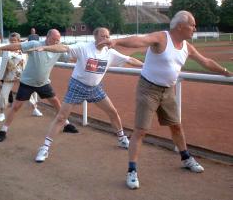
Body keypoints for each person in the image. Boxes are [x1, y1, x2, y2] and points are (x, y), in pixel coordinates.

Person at [97, 10, 233, 189]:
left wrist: (224, 72)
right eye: (192, 25)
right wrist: (116, 41)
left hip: (168, 90)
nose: (194, 28)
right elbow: (140, 40)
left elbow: (205, 61)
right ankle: (132, 170)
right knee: (140, 131)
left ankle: (185, 158)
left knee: (176, 125)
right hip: (148, 89)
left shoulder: (187, 47)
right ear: (181, 26)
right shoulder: (162, 38)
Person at [31, 27, 143, 163]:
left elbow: (130, 60)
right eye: (102, 36)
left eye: (108, 36)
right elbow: (64, 48)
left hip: (95, 88)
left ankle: (122, 139)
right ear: (95, 37)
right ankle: (44, 148)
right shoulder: (83, 47)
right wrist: (46, 48)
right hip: (77, 86)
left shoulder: (110, 53)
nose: (106, 39)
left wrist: (146, 67)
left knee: (113, 112)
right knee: (61, 117)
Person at [0, 29, 77, 142]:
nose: (55, 42)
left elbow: (70, 58)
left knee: (56, 102)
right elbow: (17, 46)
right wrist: (0, 48)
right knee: (16, 107)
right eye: (53, 39)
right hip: (27, 83)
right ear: (47, 37)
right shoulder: (35, 44)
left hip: (43, 83)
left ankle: (66, 124)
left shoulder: (58, 49)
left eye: (57, 40)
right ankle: (3, 130)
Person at [0, 32, 43, 122]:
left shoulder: (24, 50)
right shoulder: (5, 50)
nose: (13, 42)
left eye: (15, 40)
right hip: (8, 77)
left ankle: (34, 109)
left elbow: (35, 53)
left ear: (18, 41)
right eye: (11, 40)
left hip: (23, 76)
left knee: (30, 94)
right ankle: (1, 113)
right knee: (3, 95)